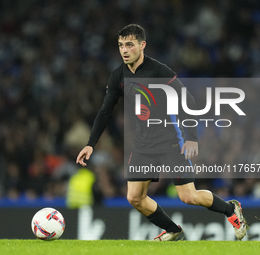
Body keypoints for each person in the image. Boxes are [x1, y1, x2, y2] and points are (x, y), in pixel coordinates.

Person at [76, 24, 247, 241]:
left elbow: (189, 101)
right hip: (142, 146)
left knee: (189, 196)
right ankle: (174, 230)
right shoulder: (118, 75)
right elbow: (105, 111)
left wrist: (191, 138)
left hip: (171, 143)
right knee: (135, 197)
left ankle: (231, 210)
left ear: (142, 45)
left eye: (129, 45)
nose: (124, 50)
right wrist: (91, 143)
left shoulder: (159, 71)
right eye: (121, 45)